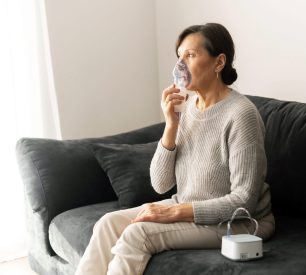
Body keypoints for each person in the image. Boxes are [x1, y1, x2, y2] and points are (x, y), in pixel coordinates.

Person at [75, 22, 275, 275]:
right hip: (189, 206)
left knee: (138, 233)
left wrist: (175, 212)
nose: (181, 65)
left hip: (238, 221)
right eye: (180, 57)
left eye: (190, 55)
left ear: (219, 63)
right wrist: (171, 125)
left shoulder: (241, 115)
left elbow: (243, 200)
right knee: (107, 223)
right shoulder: (188, 107)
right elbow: (160, 184)